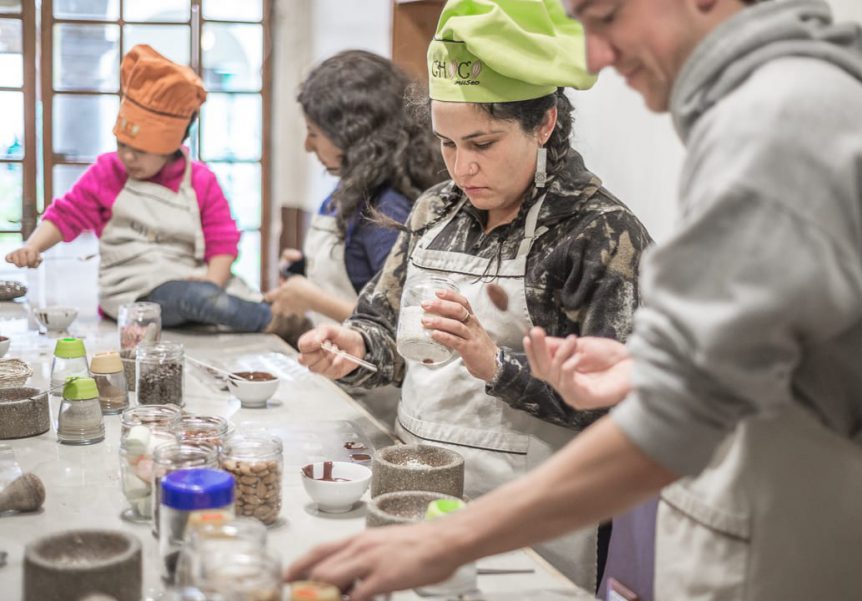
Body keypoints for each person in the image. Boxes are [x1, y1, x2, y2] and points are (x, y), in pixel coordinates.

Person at [285, 0, 862, 600]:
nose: (597, 56)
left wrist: (449, 537)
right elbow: (771, 356)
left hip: (775, 545)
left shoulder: (776, 129)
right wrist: (640, 371)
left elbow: (675, 416)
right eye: (449, 145)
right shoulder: (779, 112)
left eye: (606, 16)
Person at [294, 0, 652, 591]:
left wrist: (498, 365)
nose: (462, 168)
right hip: (414, 497)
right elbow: (383, 335)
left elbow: (621, 416)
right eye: (447, 143)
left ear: (544, 123)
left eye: (482, 143)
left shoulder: (599, 234)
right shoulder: (436, 211)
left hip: (533, 523)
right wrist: (349, 347)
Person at [5, 45, 304, 342]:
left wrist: (212, 282)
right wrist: (34, 246)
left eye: (142, 151)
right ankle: (280, 323)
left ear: (172, 146)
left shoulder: (201, 180)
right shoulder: (108, 172)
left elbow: (222, 240)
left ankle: (278, 320)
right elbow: (67, 214)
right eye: (123, 145)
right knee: (200, 300)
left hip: (191, 283)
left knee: (207, 298)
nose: (129, 158)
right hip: (132, 292)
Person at [265, 49, 444, 424]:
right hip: (344, 386)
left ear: (353, 133)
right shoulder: (352, 188)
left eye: (314, 133)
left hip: (373, 405)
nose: (308, 146)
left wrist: (310, 297)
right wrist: (306, 267)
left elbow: (398, 324)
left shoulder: (387, 210)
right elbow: (356, 267)